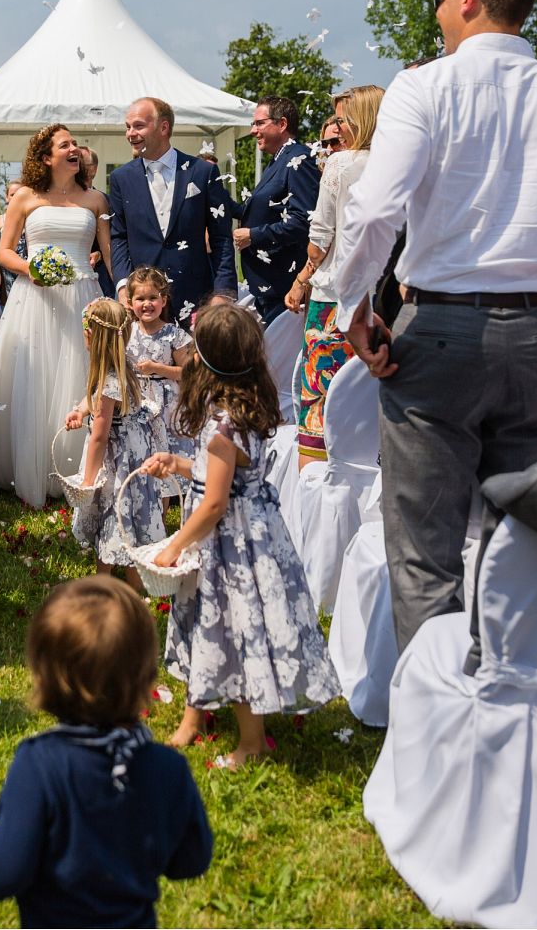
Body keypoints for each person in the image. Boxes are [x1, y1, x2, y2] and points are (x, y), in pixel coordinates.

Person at [331, 0, 537, 652]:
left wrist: (354, 307)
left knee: (425, 546)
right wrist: (536, 292)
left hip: (439, 333)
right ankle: (510, 697)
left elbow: (373, 209)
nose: (436, 14)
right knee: (523, 543)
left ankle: (437, 730)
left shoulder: (424, 86)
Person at [0, 576, 212, 925]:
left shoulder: (39, 765)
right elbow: (192, 859)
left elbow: (8, 862)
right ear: (147, 680)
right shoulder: (166, 767)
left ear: (43, 676)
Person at [141, 304, 338, 769]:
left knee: (233, 625)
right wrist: (179, 464)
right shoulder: (245, 406)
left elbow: (215, 502)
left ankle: (252, 741)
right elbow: (220, 476)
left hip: (231, 545)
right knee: (204, 619)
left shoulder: (220, 427)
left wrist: (174, 545)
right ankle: (196, 716)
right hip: (252, 529)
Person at [0, 123, 111, 507]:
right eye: (64, 144)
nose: (74, 149)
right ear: (46, 158)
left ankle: (75, 467)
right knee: (36, 376)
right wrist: (30, 269)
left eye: (74, 144)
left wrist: (122, 296)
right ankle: (32, 467)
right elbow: (3, 251)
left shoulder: (96, 200)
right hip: (34, 297)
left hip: (84, 294)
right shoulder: (25, 197)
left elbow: (109, 255)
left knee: (77, 374)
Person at [285, 86, 381, 466]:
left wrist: (301, 279)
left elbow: (320, 238)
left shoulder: (341, 165)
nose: (338, 130)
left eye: (342, 120)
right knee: (370, 393)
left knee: (320, 395)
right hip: (381, 297)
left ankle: (315, 490)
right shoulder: (402, 163)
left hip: (335, 296)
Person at [107, 96, 236, 324]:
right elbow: (118, 237)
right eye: (127, 127)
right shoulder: (120, 178)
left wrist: (223, 292)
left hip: (196, 297)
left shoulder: (202, 173)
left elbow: (221, 238)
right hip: (143, 302)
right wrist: (123, 286)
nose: (130, 134)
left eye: (138, 126)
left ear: (163, 127)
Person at [64, 298, 166, 580]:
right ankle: (134, 580)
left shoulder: (109, 381)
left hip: (118, 458)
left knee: (113, 510)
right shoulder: (125, 365)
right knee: (134, 510)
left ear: (92, 337)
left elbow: (99, 436)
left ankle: (104, 579)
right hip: (138, 451)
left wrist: (88, 481)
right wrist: (79, 410)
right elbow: (95, 400)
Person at [231, 95, 321, 324]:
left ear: (282, 124)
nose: (253, 130)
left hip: (285, 287)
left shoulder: (299, 159)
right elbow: (261, 213)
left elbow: (303, 221)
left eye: (260, 123)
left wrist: (254, 235)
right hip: (269, 286)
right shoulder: (279, 160)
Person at [123, 265, 195, 496]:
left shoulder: (173, 334)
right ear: (130, 302)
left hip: (165, 403)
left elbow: (187, 372)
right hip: (137, 401)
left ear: (163, 300)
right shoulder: (127, 332)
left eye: (153, 298)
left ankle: (163, 509)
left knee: (162, 454)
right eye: (140, 298)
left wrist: (158, 368)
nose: (147, 304)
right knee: (140, 450)